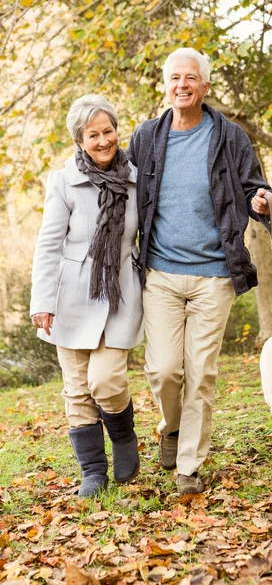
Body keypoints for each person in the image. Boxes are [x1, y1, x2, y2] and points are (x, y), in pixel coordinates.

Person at [127, 48, 272, 494]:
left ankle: (187, 466)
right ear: (165, 85)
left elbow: (256, 185)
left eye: (191, 78)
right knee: (165, 370)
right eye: (175, 78)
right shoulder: (146, 137)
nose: (182, 85)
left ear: (205, 86)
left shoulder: (230, 137)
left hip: (215, 274)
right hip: (161, 273)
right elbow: (120, 186)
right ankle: (171, 429)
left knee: (202, 372)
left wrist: (263, 201)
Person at [30, 94, 143, 497]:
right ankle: (93, 471)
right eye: (92, 134)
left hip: (120, 290)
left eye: (108, 131)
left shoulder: (136, 177)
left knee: (107, 379)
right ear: (79, 140)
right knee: (77, 388)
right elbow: (48, 244)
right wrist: (41, 301)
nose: (102, 141)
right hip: (72, 294)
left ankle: (124, 438)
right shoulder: (63, 180)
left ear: (117, 131)